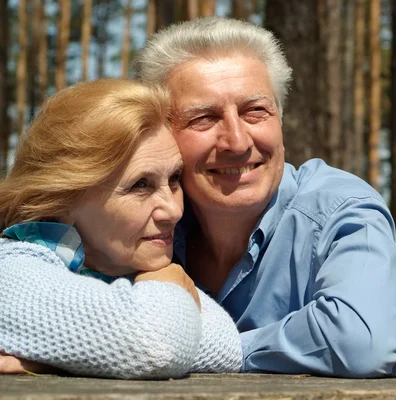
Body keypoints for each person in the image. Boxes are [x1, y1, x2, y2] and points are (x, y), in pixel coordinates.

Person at [132, 16, 396, 378]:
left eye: (255, 112)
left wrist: (211, 347)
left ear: (280, 119)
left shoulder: (341, 211)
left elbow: (362, 343)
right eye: (204, 117)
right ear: (160, 134)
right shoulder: (138, 215)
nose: (237, 141)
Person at [0, 79, 242, 378]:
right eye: (140, 185)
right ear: (62, 198)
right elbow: (157, 345)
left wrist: (66, 356)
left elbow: (228, 346)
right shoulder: (12, 271)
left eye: (175, 178)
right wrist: (164, 287)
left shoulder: (125, 266)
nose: (174, 210)